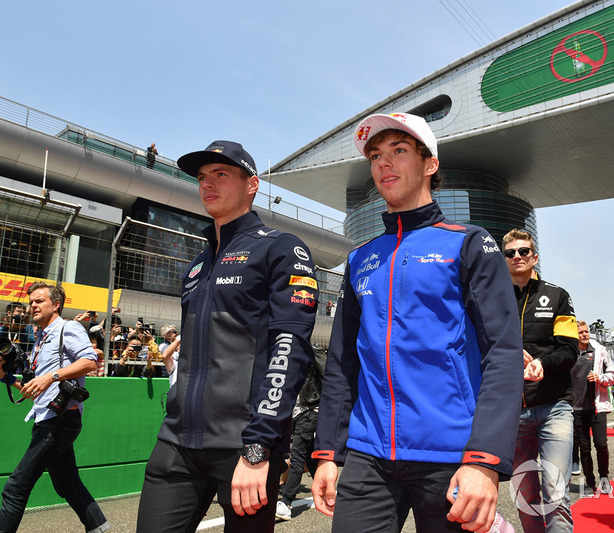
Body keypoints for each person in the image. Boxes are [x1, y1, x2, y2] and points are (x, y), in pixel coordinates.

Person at [311, 113, 523, 533]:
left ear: (430, 164)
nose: (383, 163)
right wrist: (327, 452)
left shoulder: (469, 243)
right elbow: (341, 364)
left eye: (398, 151)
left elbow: (503, 353)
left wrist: (485, 459)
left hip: (450, 454)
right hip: (368, 454)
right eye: (375, 156)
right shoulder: (361, 258)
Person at [136, 140, 319, 533]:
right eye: (203, 178)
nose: (207, 184)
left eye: (220, 175)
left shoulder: (281, 248)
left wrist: (258, 447)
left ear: (251, 184)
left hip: (243, 444)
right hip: (176, 443)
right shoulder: (197, 265)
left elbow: (289, 349)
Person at [0, 281, 109, 533]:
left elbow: (89, 361)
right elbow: (33, 390)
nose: (33, 305)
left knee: (16, 486)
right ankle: (99, 527)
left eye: (39, 301)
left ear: (56, 304)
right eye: (31, 302)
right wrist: (4, 376)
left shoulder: (69, 327)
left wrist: (51, 376)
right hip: (46, 416)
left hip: (60, 420)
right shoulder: (40, 339)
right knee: (67, 484)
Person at [502, 228, 578, 533]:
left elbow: (570, 351)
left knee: (555, 492)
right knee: (525, 497)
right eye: (510, 253)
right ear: (504, 258)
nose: (517, 257)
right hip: (511, 412)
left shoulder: (558, 295)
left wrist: (542, 364)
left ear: (535, 257)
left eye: (523, 252)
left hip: (554, 408)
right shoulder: (492, 298)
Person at [276, 345, 326, 521]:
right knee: (309, 459)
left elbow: (329, 378)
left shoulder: (313, 351)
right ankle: (327, 493)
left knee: (297, 456)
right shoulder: (285, 353)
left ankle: (287, 503)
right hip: (298, 414)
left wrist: (322, 408)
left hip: (310, 411)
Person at [571, 320, 614, 495]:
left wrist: (599, 377)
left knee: (601, 444)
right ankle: (590, 483)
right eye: (580, 332)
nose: (584, 334)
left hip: (596, 406)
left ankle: (604, 478)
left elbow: (613, 375)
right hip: (576, 409)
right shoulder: (569, 352)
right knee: (584, 448)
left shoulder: (600, 350)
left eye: (586, 331)